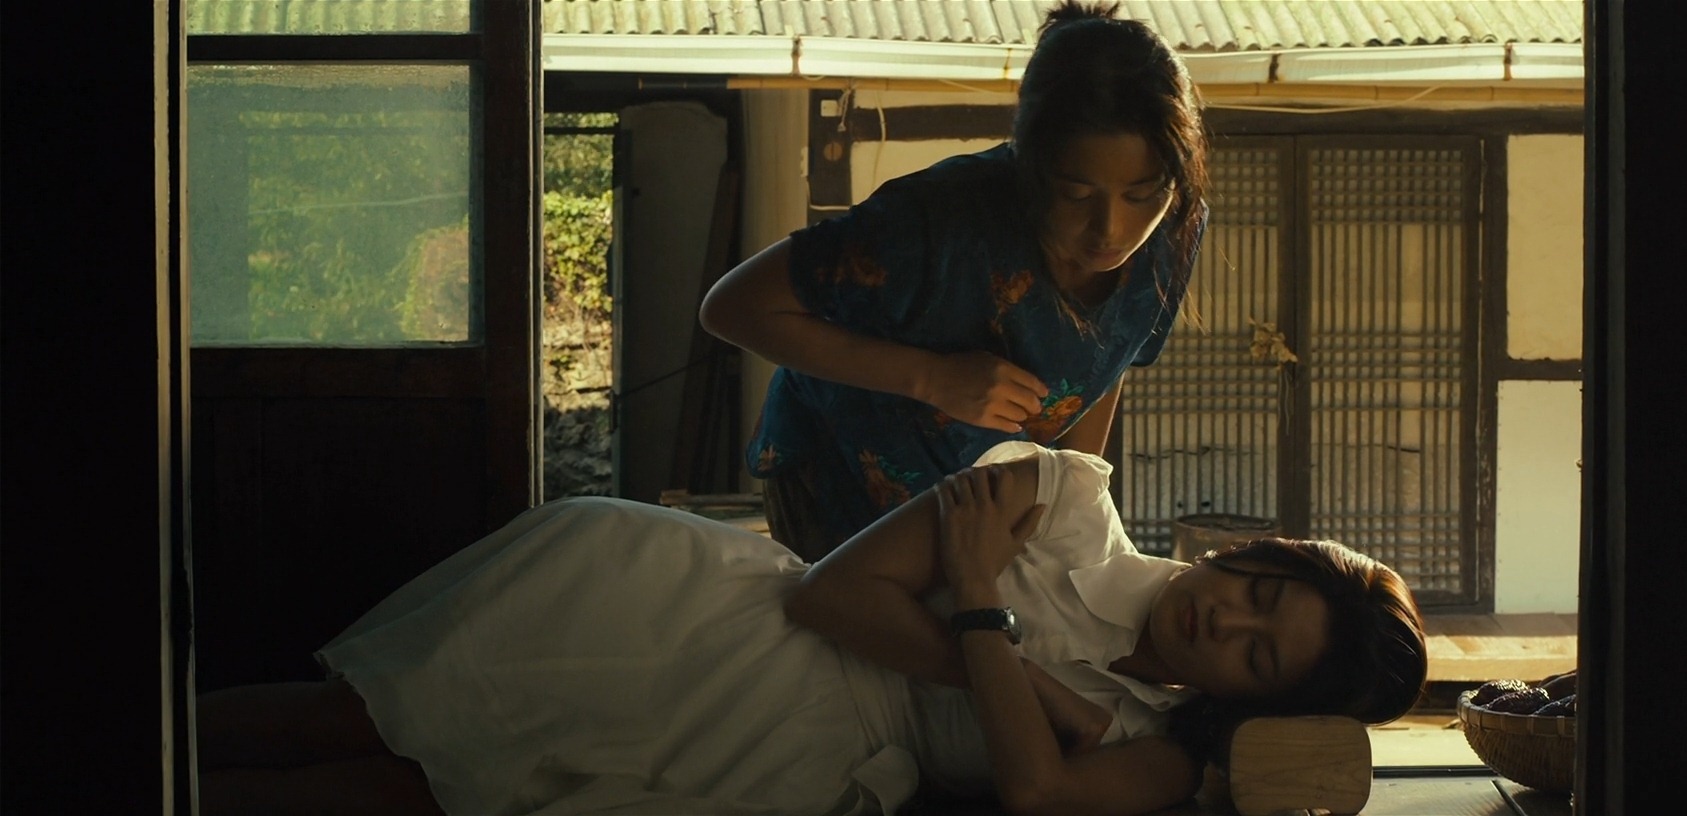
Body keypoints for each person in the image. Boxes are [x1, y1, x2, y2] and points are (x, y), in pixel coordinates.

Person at [195, 441, 1427, 816]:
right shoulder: (1061, 496)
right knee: (358, 716)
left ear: (1254, 699)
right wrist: (1029, 692)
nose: (1225, 618)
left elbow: (1039, 797)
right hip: (698, 619)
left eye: (1255, 654)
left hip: (786, 763)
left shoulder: (1160, 751)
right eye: (1260, 592)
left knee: (413, 796)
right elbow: (826, 598)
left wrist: (978, 604)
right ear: (1253, 556)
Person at [699, 0, 1212, 561]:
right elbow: (733, 307)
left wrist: (1074, 500)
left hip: (985, 505)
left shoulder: (1175, 228)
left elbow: (1110, 360)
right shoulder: (936, 221)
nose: (1110, 229)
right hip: (846, 479)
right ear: (1029, 162)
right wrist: (932, 378)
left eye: (1142, 193)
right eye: (1075, 192)